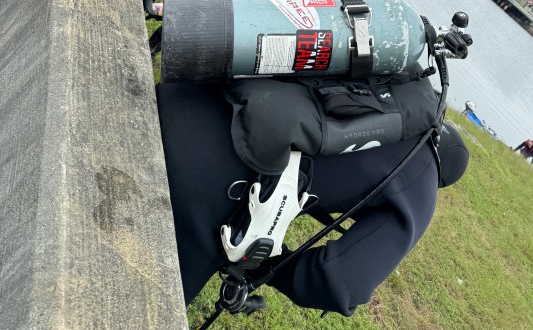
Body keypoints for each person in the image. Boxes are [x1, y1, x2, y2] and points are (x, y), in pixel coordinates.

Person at [156, 81, 470, 315]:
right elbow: (341, 280)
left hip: (177, 97)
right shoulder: (422, 178)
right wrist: (266, 261)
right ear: (441, 178)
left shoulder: (404, 85)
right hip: (200, 198)